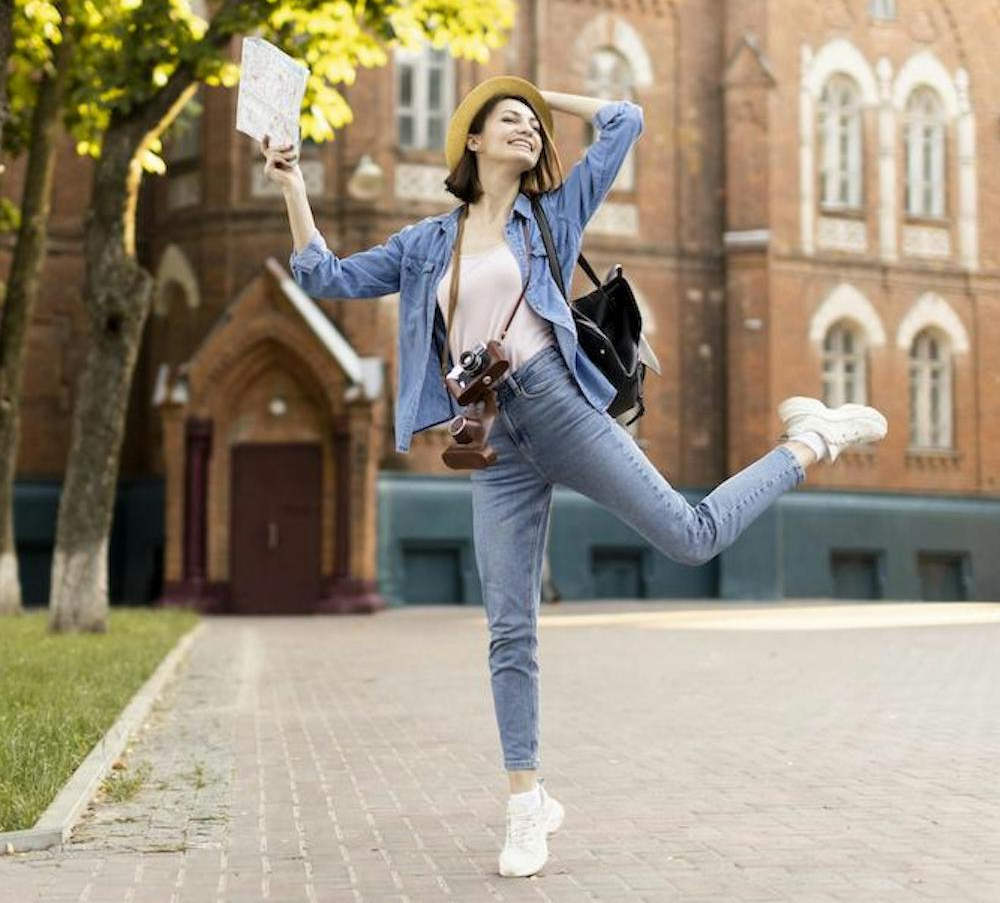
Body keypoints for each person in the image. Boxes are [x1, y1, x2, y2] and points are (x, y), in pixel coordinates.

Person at [262, 75, 888, 879]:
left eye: (534, 123)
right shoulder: (426, 244)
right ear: (473, 140)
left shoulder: (550, 214)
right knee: (508, 628)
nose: (527, 128)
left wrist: (538, 93)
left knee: (690, 537)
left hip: (559, 403)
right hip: (491, 439)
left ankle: (809, 441)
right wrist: (292, 184)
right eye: (508, 118)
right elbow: (325, 276)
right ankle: (526, 804)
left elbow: (625, 121)